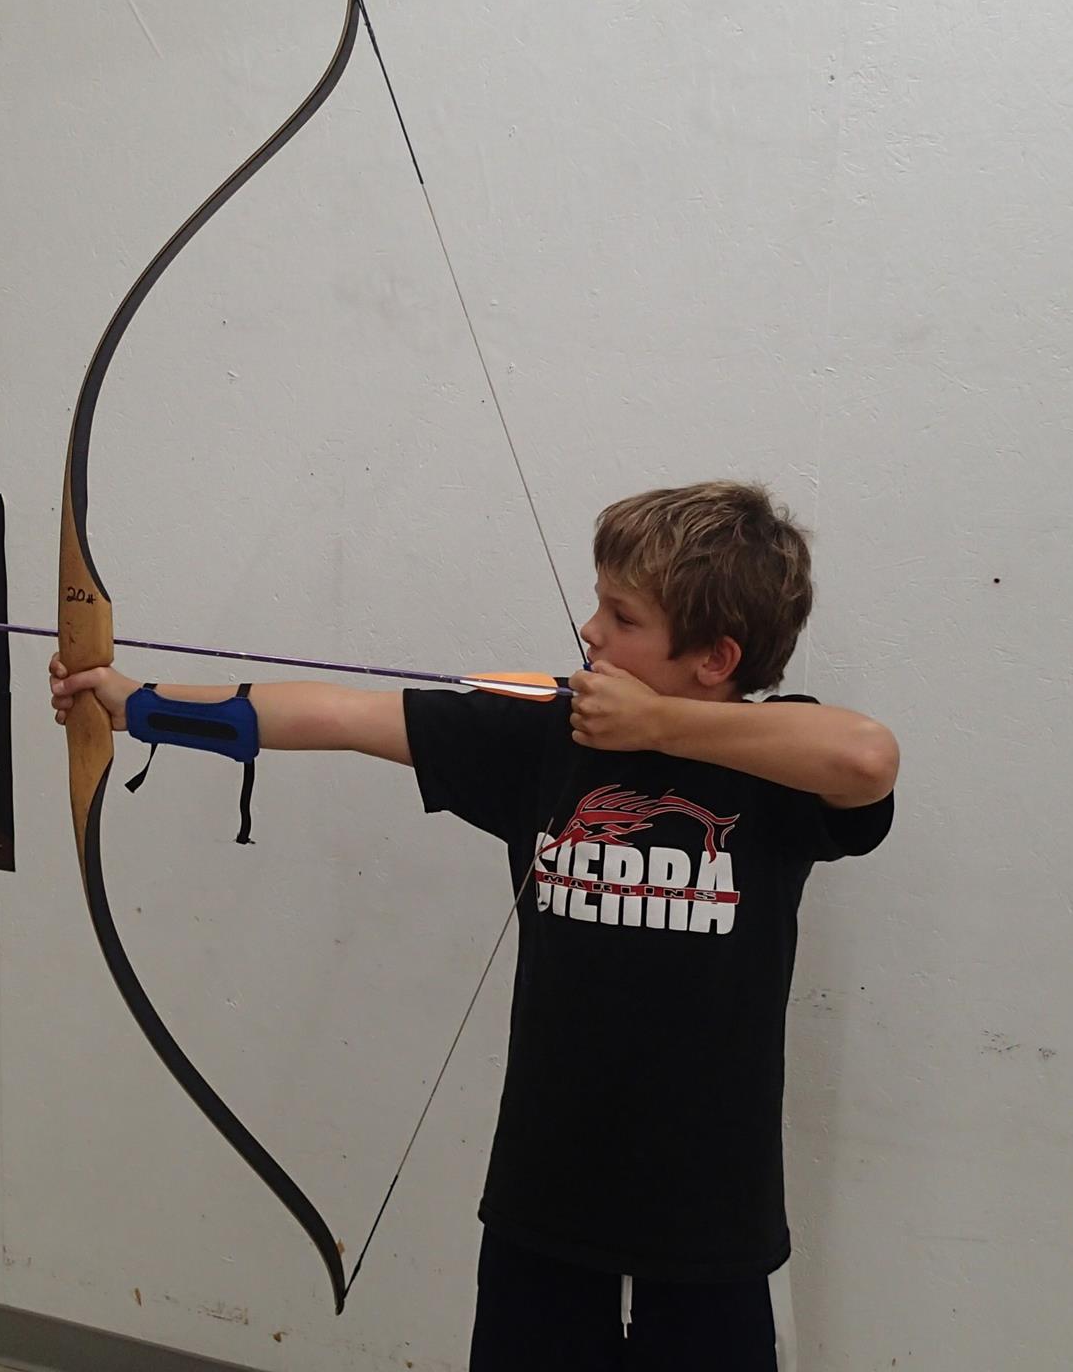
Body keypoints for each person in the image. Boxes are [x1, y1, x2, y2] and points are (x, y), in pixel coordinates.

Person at [49, 480, 898, 1371]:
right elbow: (339, 715)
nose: (590, 631)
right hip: (545, 1195)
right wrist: (138, 705)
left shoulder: (779, 767)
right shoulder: (546, 737)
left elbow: (868, 757)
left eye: (622, 617)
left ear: (716, 659)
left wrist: (658, 726)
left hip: (711, 1217)